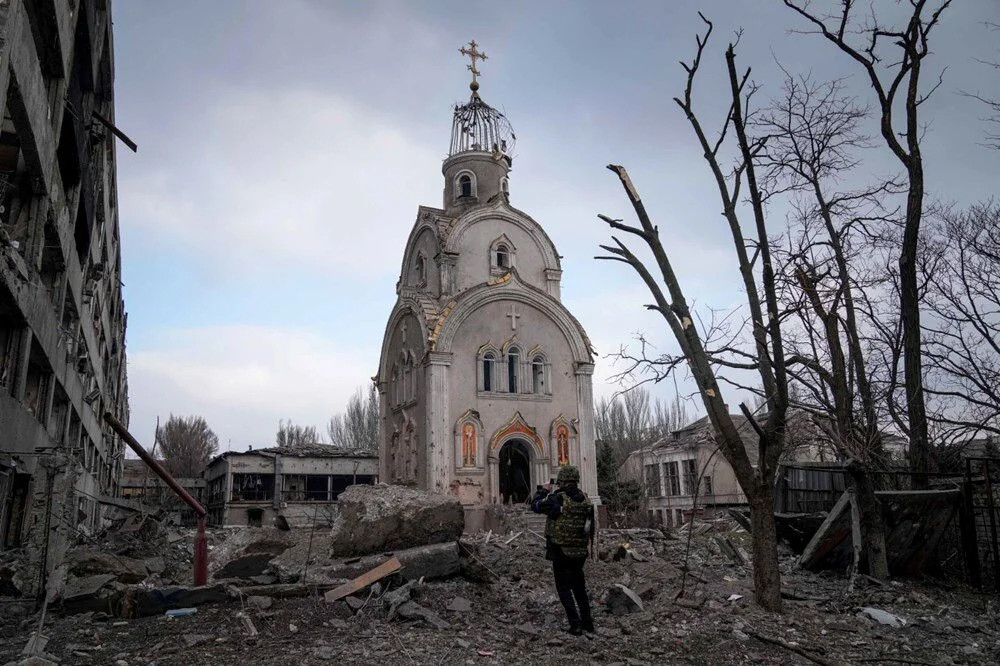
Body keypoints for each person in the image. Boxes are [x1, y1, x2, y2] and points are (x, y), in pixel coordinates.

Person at [531, 465, 596, 635]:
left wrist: (543, 491)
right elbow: (590, 527)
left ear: (562, 481)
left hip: (560, 550)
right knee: (579, 587)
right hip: (580, 551)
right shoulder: (586, 499)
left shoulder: (557, 499)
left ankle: (575, 624)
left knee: (563, 588)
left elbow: (536, 506)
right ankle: (587, 623)